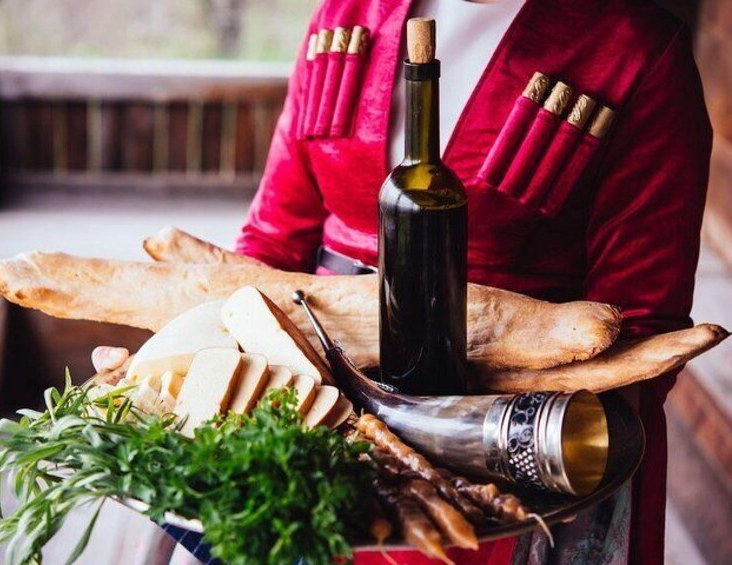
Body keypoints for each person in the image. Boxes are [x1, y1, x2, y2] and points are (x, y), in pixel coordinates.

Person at [95, 0, 711, 563]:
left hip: (510, 433)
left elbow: (640, 325)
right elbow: (272, 239)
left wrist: (531, 443)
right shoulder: (346, 14)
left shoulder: (633, 48)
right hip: (308, 396)